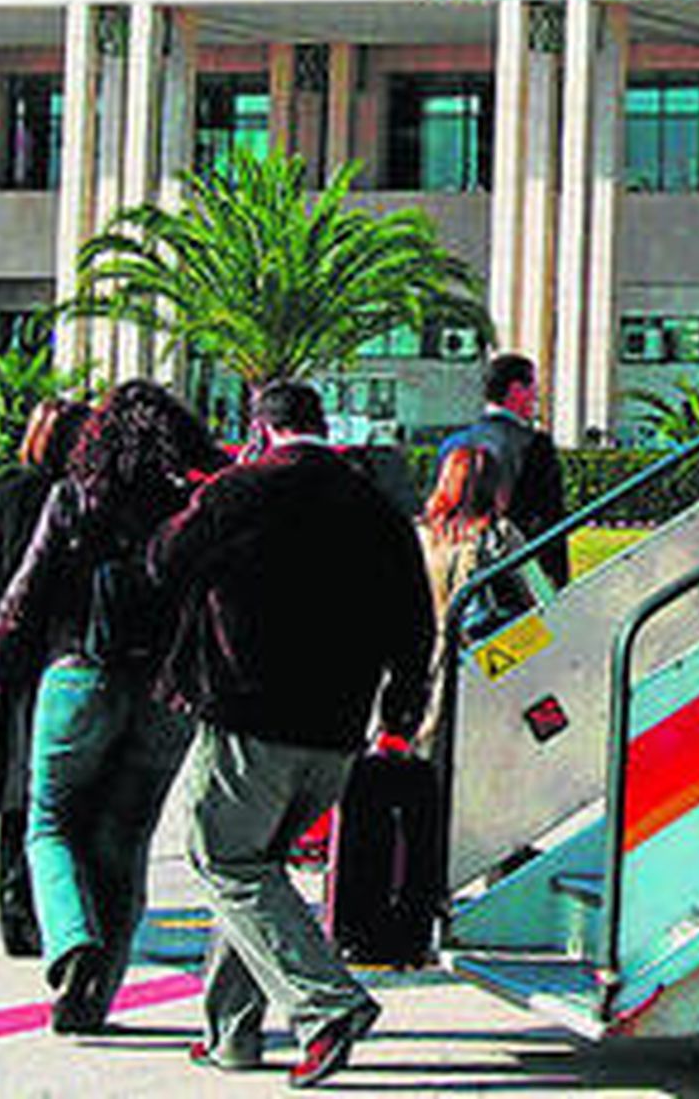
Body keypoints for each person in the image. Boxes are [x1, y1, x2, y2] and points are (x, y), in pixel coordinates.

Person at [150, 379, 432, 1087]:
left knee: (222, 859)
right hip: (338, 728)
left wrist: (209, 488)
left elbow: (162, 561)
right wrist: (398, 718)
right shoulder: (376, 507)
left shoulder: (241, 492)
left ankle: (325, 1004)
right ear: (320, 425)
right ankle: (230, 1032)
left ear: (260, 428)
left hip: (250, 715)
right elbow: (415, 625)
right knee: (256, 868)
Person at [0, 381, 226, 1033]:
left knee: (49, 824)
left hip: (79, 673)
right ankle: (89, 999)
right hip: (167, 693)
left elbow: (25, 593)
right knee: (125, 840)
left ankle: (70, 938)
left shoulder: (75, 499)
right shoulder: (192, 506)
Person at [0, 397, 91, 958]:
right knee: (61, 794)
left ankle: (17, 912)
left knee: (17, 794)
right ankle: (59, 911)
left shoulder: (8, 495)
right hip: (66, 656)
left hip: (9, 660)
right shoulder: (87, 500)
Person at [415, 442, 522, 752]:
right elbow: (541, 600)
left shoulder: (421, 536)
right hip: (486, 663)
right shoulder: (500, 535)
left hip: (425, 660)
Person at [437, 353, 569, 587]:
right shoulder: (535, 446)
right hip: (513, 574)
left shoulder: (453, 445)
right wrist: (558, 582)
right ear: (516, 390)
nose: (536, 396)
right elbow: (549, 521)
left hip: (452, 569)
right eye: (532, 387)